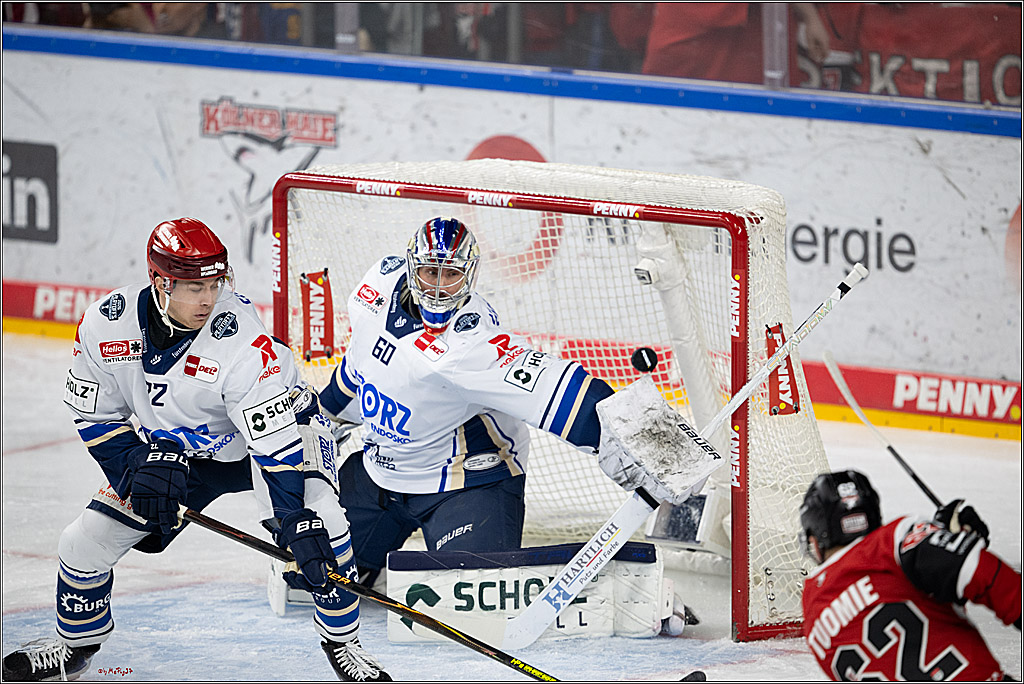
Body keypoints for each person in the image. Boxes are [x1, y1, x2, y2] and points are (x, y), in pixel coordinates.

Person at [1, 218, 390, 682]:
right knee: (82, 541)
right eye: (191, 286)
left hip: (279, 436)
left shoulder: (241, 342)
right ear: (159, 282)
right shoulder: (106, 325)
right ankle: (75, 645)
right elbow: (95, 415)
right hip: (182, 451)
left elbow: (274, 446)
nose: (206, 298)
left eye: (213, 283)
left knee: (322, 525)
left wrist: (292, 519)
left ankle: (345, 643)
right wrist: (134, 466)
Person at [317, 217, 689, 588]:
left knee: (469, 600)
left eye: (452, 275)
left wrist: (656, 447)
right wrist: (317, 426)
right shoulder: (375, 290)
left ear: (471, 275)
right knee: (314, 569)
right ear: (412, 268)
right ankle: (365, 557)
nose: (439, 289)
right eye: (431, 272)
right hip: (381, 474)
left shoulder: (468, 344)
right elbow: (356, 371)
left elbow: (556, 388)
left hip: (467, 484)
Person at [799, 470, 1021, 681]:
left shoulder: (814, 616)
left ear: (815, 541)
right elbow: (978, 571)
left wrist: (939, 540)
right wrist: (948, 542)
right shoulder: (894, 539)